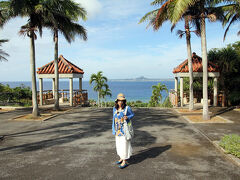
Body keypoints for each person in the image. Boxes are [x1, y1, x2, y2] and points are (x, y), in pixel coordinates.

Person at [112, 93, 134, 169]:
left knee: (124, 145)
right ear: (117, 101)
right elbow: (113, 120)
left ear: (124, 101)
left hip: (124, 130)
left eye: (122, 101)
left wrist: (127, 117)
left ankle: (124, 160)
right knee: (118, 145)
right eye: (119, 100)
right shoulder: (114, 109)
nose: (120, 102)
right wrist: (113, 129)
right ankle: (121, 157)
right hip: (117, 130)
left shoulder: (127, 108)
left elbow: (132, 114)